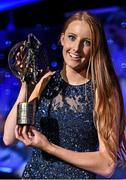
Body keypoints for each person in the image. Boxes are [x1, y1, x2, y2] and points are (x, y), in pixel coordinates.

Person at [3, 11, 126, 179]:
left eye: (86, 42)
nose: (76, 48)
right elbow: (9, 138)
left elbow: (107, 165)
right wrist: (26, 85)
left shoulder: (103, 91)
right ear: (62, 39)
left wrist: (48, 147)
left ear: (95, 47)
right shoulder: (46, 81)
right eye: (72, 38)